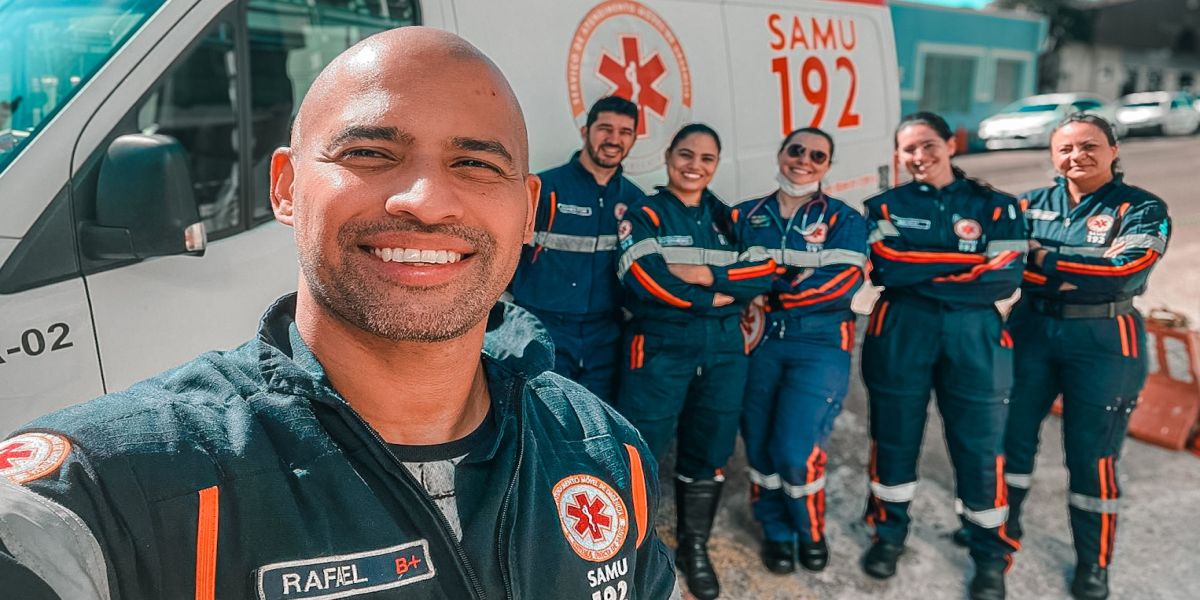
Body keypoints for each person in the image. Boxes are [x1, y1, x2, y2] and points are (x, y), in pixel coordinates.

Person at [0, 28, 679, 600]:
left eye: (474, 163)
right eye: (369, 154)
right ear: (286, 186)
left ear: (527, 210)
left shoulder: (602, 447)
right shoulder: (123, 485)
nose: (426, 200)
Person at [1001, 113, 1170, 600]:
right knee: (1009, 440)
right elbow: (997, 266)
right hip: (1030, 329)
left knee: (1092, 458)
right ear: (1053, 155)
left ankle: (1093, 565)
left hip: (1105, 340)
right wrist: (1077, 270)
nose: (1077, 156)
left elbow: (1124, 271)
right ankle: (1001, 533)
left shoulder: (1141, 207)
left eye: (1090, 146)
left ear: (1114, 150)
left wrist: (1041, 257)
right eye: (1066, 148)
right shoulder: (1028, 204)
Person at [859, 112, 1025, 600]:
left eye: (929, 145)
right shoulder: (882, 206)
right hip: (901, 332)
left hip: (974, 337)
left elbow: (1006, 275)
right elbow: (884, 266)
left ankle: (989, 553)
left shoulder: (996, 206)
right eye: (909, 149)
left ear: (951, 145)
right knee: (893, 439)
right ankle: (887, 534)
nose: (919, 157)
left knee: (979, 446)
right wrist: (970, 261)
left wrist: (920, 267)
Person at [614, 123, 776, 600]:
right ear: (669, 157)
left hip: (725, 352)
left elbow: (764, 272)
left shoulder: (730, 218)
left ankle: (694, 547)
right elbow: (645, 280)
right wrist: (720, 294)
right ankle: (630, 553)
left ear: (715, 165)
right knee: (638, 450)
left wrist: (703, 272)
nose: (694, 165)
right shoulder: (643, 214)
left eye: (706, 158)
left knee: (710, 450)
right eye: (686, 154)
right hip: (660, 347)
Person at [732, 127, 867, 575]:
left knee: (796, 449)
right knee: (760, 446)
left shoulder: (844, 219)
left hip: (820, 345)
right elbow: (723, 274)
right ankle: (775, 530)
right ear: (780, 154)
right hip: (758, 342)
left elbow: (841, 284)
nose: (804, 160)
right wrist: (759, 285)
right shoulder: (744, 216)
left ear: (827, 165)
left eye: (817, 155)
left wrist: (764, 290)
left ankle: (809, 529)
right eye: (796, 150)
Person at [510, 96, 644, 402]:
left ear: (634, 139)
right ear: (586, 131)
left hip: (605, 334)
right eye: (605, 128)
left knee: (598, 422)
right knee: (541, 418)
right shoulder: (545, 190)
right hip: (542, 328)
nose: (614, 139)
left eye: (625, 132)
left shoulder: (635, 201)